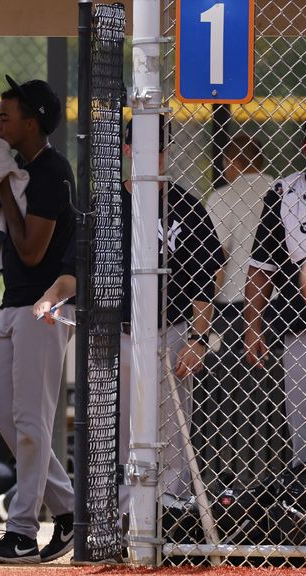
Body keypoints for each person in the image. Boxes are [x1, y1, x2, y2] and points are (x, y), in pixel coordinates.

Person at [34, 115, 224, 550]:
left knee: (171, 437)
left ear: (166, 152)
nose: (148, 157)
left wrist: (197, 340)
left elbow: (203, 286)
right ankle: (119, 527)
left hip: (169, 331)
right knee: (114, 432)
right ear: (123, 150)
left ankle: (167, 521)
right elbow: (72, 274)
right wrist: (51, 297)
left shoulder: (187, 207)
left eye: (157, 149)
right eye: (138, 148)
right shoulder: (104, 207)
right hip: (113, 335)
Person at [0, 76, 75, 565]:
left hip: (45, 306)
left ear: (31, 123)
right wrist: (3, 184)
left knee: (32, 422)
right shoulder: (23, 167)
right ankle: (71, 508)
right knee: (3, 411)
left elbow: (33, 251)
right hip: (14, 302)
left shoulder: (52, 172)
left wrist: (5, 192)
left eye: (6, 116)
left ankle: (21, 533)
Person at [203, 134, 274, 476]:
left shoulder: (224, 196)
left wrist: (201, 318)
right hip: (279, 308)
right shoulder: (281, 191)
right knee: (274, 398)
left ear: (231, 163)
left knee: (233, 400)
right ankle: (273, 474)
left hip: (232, 309)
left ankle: (234, 474)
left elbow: (215, 259)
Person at [246, 122, 306, 470]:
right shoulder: (284, 190)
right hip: (298, 324)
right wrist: (253, 325)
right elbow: (260, 265)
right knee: (300, 426)